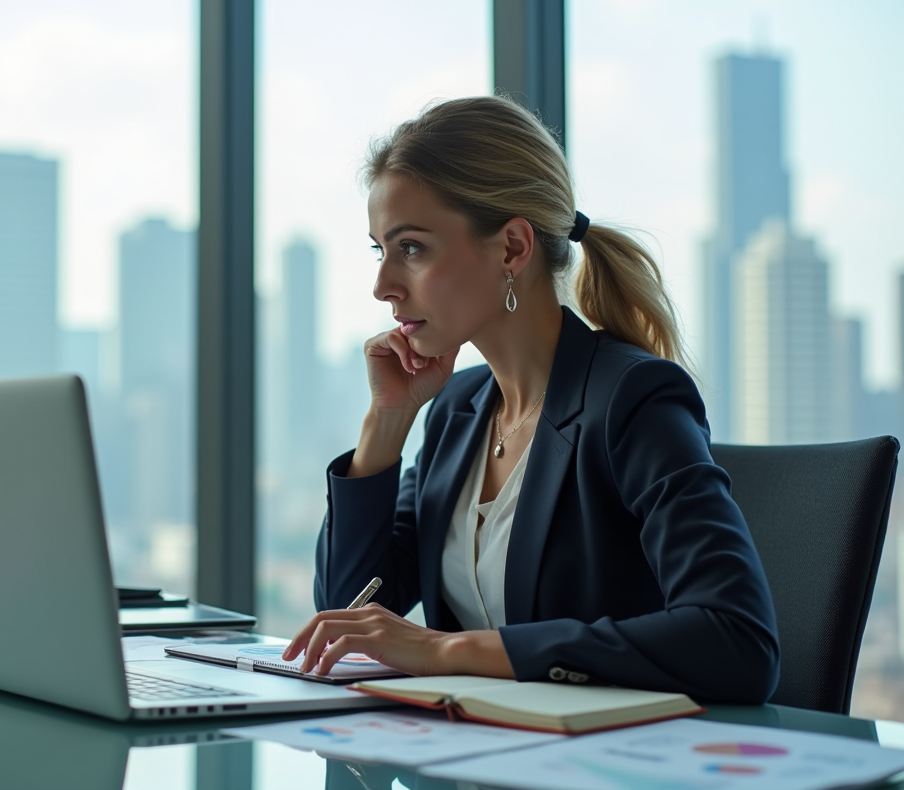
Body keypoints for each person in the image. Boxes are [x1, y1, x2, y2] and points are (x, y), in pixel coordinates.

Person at [281, 95, 779, 704]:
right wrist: (387, 423)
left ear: (513, 248)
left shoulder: (632, 400)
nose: (383, 285)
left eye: (410, 248)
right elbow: (347, 617)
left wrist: (445, 650)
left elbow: (738, 642)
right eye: (379, 251)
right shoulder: (457, 412)